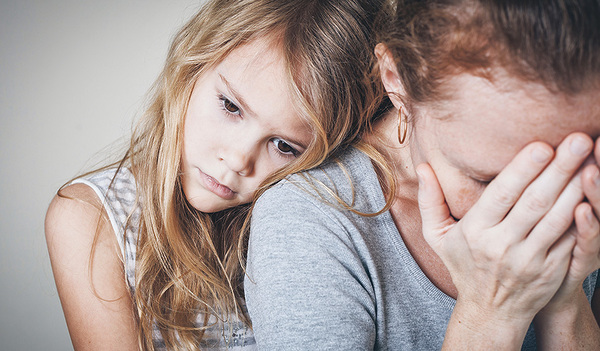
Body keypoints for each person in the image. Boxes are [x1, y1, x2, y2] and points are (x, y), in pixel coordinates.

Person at [244, 0, 600, 349]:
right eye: (487, 181)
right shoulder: (309, 220)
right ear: (396, 81)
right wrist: (489, 313)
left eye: (571, 173)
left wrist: (563, 296)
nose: (543, 210)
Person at [44, 0, 387, 349]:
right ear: (192, 66)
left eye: (284, 145)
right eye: (231, 106)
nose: (238, 160)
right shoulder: (91, 218)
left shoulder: (306, 226)